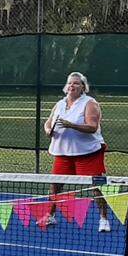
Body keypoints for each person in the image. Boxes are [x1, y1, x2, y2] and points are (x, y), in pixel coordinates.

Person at [41, 71, 111, 232]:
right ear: (66, 87)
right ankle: (50, 215)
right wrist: (48, 130)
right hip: (64, 153)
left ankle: (104, 219)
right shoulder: (59, 104)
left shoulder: (90, 103)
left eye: (76, 83)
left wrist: (70, 125)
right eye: (70, 83)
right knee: (55, 186)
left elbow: (92, 127)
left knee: (95, 187)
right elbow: (48, 122)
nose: (72, 85)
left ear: (83, 87)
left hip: (88, 154)